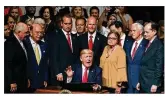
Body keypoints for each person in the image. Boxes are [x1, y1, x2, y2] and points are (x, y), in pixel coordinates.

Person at [48, 14, 79, 86]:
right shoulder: (55, 36)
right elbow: (53, 57)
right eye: (66, 24)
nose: (68, 26)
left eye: (69, 23)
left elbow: (76, 55)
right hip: (60, 75)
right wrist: (57, 72)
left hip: (72, 74)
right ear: (61, 24)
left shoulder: (74, 37)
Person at [137, 22, 164, 93]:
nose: (145, 34)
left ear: (154, 31)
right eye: (144, 32)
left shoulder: (159, 45)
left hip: (151, 83)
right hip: (143, 81)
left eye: (147, 32)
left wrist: (155, 83)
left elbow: (159, 66)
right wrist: (140, 81)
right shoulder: (147, 42)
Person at [4, 22, 28, 93]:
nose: (27, 34)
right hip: (15, 82)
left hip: (22, 80)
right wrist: (12, 81)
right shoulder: (10, 43)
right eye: (26, 32)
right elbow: (7, 63)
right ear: (19, 32)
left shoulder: (23, 42)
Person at [25, 24, 48, 92]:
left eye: (41, 32)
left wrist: (45, 78)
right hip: (28, 82)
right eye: (37, 32)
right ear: (31, 32)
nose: (39, 34)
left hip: (41, 83)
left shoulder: (44, 45)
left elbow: (45, 64)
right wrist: (25, 78)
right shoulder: (25, 44)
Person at [126, 23, 148, 93]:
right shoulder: (128, 43)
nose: (132, 33)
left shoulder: (147, 44)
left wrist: (142, 81)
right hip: (128, 82)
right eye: (131, 30)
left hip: (140, 82)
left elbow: (148, 65)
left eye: (134, 31)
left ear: (141, 31)